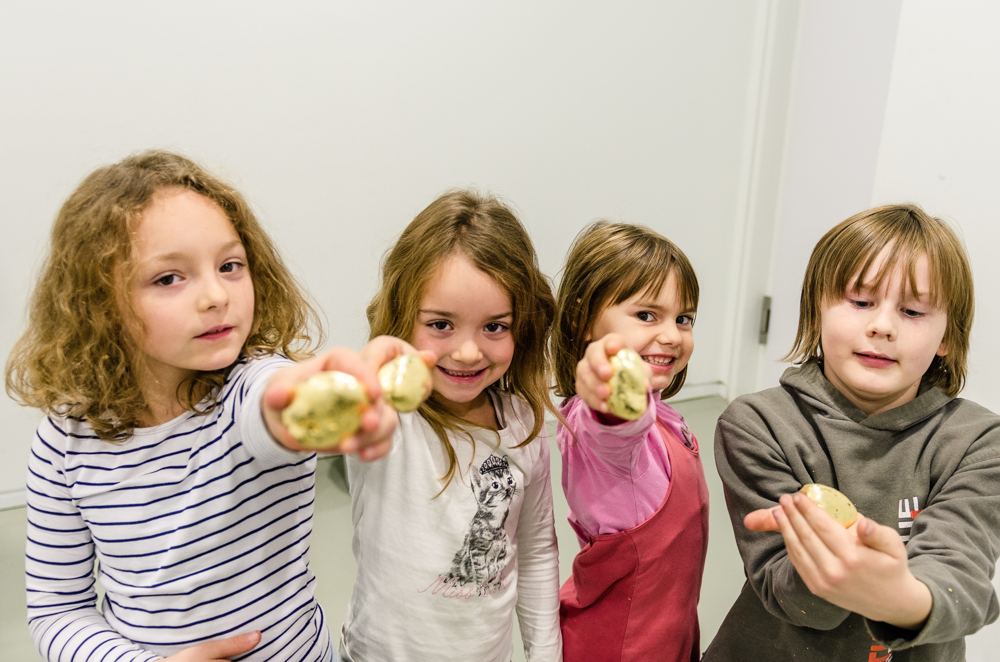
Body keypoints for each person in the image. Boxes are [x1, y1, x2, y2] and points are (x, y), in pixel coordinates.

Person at [7, 150, 406, 662]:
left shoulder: (248, 384)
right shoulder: (64, 441)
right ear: (99, 303)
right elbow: (57, 607)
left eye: (230, 266)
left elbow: (279, 404)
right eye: (169, 278)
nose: (216, 294)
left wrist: (330, 393)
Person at [703, 204, 1000, 662]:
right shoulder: (759, 424)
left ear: (947, 339)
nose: (881, 325)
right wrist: (832, 567)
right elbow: (791, 598)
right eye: (860, 302)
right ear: (816, 310)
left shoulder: (979, 440)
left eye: (913, 310)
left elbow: (962, 582)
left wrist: (897, 595)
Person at [332, 190, 562, 662]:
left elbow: (536, 551)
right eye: (441, 324)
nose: (467, 351)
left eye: (494, 326)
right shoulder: (390, 414)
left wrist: (545, 653)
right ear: (402, 317)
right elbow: (319, 423)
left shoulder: (524, 426)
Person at [551, 221, 709, 662]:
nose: (672, 335)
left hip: (668, 631)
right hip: (619, 645)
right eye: (647, 315)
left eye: (684, 319)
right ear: (584, 320)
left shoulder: (663, 414)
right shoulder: (602, 421)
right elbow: (616, 430)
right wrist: (614, 394)